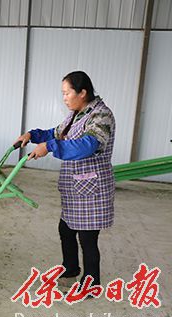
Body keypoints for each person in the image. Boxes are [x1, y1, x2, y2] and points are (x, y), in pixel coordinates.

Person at [14, 71, 115, 291]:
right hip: (76, 188)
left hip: (91, 190)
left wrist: (50, 147)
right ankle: (70, 267)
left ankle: (91, 284)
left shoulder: (101, 116)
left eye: (67, 92)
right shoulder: (77, 114)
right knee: (66, 228)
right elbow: (57, 132)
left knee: (87, 239)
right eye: (63, 93)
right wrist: (32, 135)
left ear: (82, 92)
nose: (64, 98)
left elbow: (88, 146)